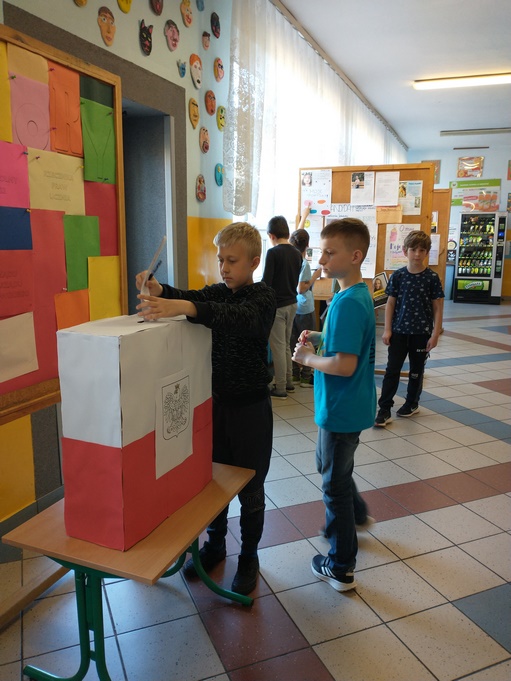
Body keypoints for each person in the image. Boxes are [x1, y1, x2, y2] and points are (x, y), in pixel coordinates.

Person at [136, 223, 276, 595]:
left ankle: (249, 556)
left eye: (232, 261)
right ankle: (215, 544)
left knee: (251, 488)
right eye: (220, 259)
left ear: (254, 262)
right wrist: (161, 290)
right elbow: (193, 296)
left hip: (251, 412)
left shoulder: (262, 297)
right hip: (216, 408)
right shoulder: (218, 292)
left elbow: (236, 318)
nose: (224, 267)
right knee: (213, 483)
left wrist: (184, 307)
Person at [292, 218, 376, 592]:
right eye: (321, 251)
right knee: (331, 467)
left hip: (341, 408)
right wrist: (320, 336)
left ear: (355, 256)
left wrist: (307, 359)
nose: (322, 259)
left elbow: (344, 365)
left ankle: (341, 566)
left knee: (333, 484)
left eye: (330, 252)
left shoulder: (348, 304)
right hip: (348, 406)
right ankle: (353, 514)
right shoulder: (353, 295)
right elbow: (346, 341)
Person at [375, 230, 444, 426]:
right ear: (405, 251)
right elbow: (390, 303)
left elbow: (437, 307)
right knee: (392, 370)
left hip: (421, 333)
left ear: (427, 252)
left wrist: (435, 333)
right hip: (399, 332)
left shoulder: (432, 277)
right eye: (413, 250)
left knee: (416, 371)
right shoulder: (398, 276)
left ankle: (412, 403)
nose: (417, 254)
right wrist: (387, 329)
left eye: (422, 250)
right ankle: (384, 409)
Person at [263, 215, 302, 399]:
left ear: (271, 236)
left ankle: (280, 388)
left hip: (277, 306)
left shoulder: (273, 253)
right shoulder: (297, 253)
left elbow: (266, 283)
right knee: (285, 344)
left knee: (278, 347)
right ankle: (288, 381)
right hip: (293, 303)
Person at [289, 212, 322, 387]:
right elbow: (301, 288)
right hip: (305, 306)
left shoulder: (289, 259)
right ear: (307, 245)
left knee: (293, 340)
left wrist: (305, 215)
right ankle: (306, 377)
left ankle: (295, 374)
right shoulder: (305, 263)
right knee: (308, 340)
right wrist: (316, 275)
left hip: (293, 305)